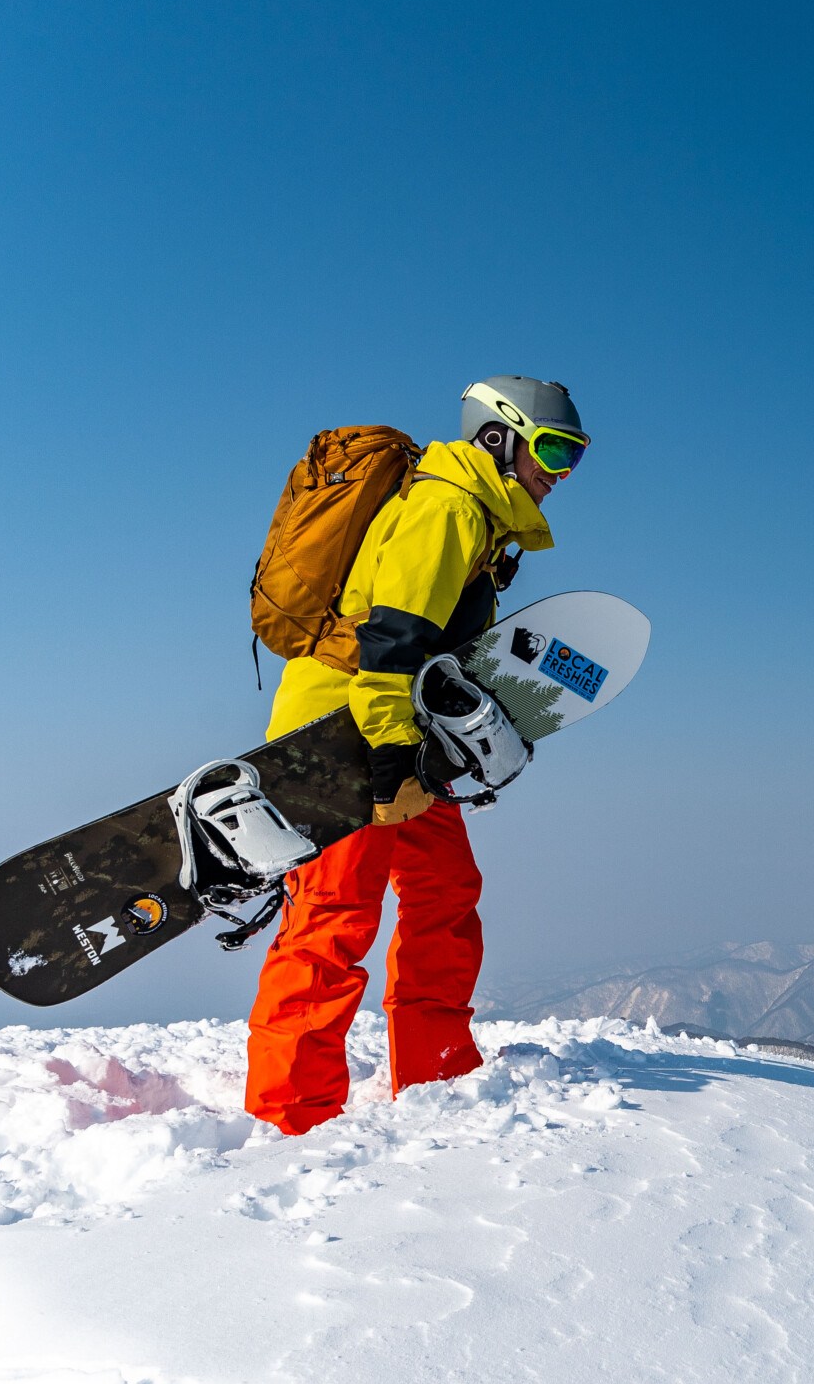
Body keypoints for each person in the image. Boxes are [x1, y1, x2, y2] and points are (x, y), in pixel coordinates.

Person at [244, 377, 588, 1134]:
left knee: (445, 890)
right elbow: (391, 641)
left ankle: (436, 1075)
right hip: (346, 739)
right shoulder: (448, 507)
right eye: (554, 449)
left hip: (402, 737)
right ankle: (288, 1116)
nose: (561, 472)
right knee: (335, 914)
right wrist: (392, 765)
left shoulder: (482, 520)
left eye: (575, 456)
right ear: (500, 436)